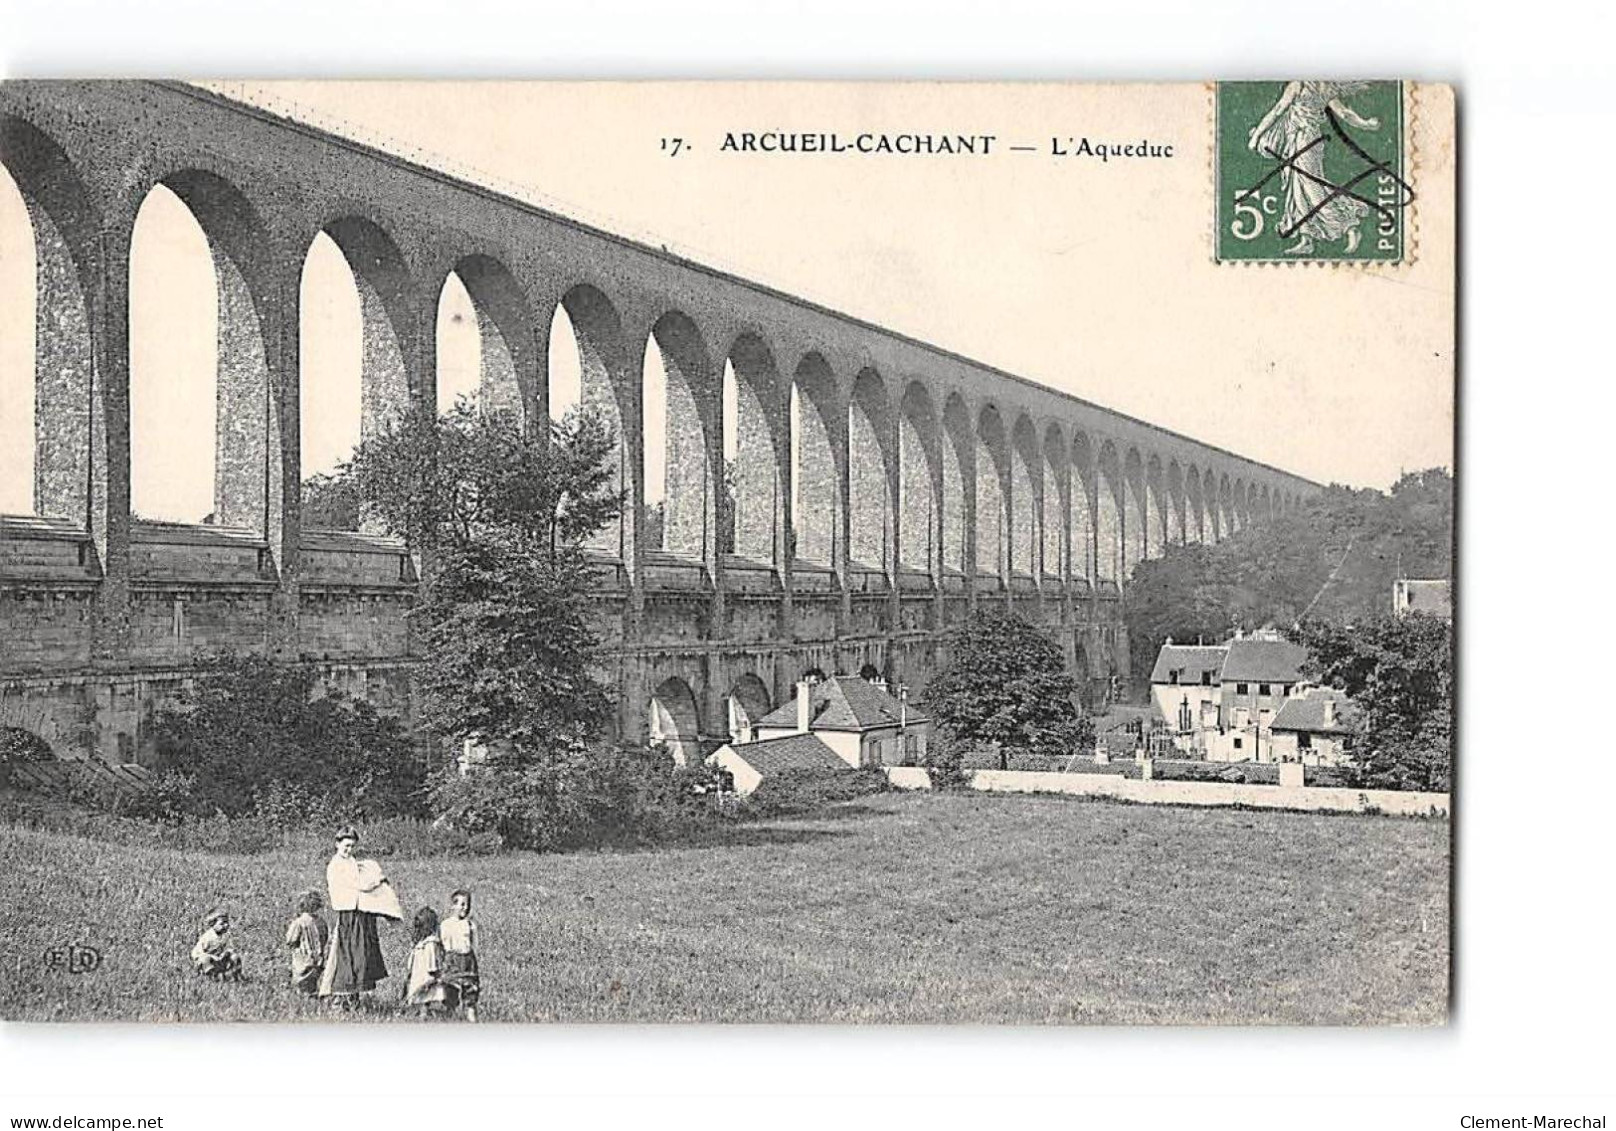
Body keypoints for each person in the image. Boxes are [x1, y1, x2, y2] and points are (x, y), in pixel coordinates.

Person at [1246, 80, 1381, 255]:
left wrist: (1256, 136)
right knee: (1297, 189)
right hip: (1302, 140)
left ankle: (1349, 226)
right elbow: (1345, 114)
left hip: (1304, 140)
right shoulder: (1326, 87)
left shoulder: (1298, 85)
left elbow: (1277, 111)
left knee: (1312, 188)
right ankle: (1306, 239)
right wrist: (1366, 124)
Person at [317, 826, 400, 1005]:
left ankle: (353, 997)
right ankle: (339, 997)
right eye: (346, 846)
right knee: (347, 954)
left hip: (358, 912)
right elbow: (360, 884)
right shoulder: (336, 865)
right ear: (337, 844)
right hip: (348, 914)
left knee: (360, 955)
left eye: (352, 846)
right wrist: (378, 879)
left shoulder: (351, 862)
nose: (349, 850)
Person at [439, 888, 481, 1022]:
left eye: (467, 904)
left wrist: (473, 958)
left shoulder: (470, 924)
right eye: (462, 904)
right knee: (450, 988)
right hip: (452, 959)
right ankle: (449, 1013)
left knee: (470, 988)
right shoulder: (446, 924)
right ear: (453, 905)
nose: (465, 908)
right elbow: (442, 943)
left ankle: (471, 1015)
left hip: (467, 959)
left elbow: (475, 944)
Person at [403, 906, 451, 1018]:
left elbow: (415, 962)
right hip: (423, 975)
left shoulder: (424, 944)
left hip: (421, 976)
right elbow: (425, 960)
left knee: (422, 997)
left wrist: (412, 973)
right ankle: (423, 1013)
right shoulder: (427, 943)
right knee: (424, 997)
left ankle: (423, 1013)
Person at [284, 890, 329, 995]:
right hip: (318, 960)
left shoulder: (299, 922)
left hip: (303, 959)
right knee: (312, 983)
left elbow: (290, 940)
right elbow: (325, 937)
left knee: (301, 986)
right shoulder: (321, 922)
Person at [191, 908, 244, 981]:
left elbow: (226, 948)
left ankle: (235, 975)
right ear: (212, 924)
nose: (226, 925)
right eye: (222, 923)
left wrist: (228, 952)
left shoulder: (225, 936)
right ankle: (212, 977)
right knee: (206, 960)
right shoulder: (207, 937)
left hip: (219, 960)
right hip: (208, 962)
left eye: (227, 922)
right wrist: (210, 956)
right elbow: (196, 953)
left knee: (235, 957)